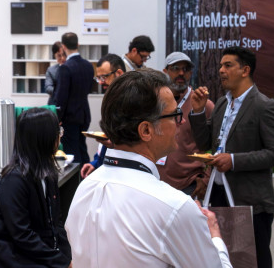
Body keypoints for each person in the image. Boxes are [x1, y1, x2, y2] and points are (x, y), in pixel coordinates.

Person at [65, 71, 232, 268]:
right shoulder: (173, 207)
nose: (182, 121)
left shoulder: (84, 190)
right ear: (146, 130)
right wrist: (214, 236)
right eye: (175, 115)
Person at [189, 47, 274, 268]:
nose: (221, 70)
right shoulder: (222, 104)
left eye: (228, 65)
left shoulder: (264, 106)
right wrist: (198, 111)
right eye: (220, 66)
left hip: (250, 200)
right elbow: (205, 144)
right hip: (218, 195)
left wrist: (233, 160)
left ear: (245, 70)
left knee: (255, 261)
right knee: (224, 257)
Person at [0, 108, 72, 268]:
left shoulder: (49, 173)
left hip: (41, 255)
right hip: (18, 259)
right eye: (58, 132)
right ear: (44, 138)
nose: (60, 137)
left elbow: (57, 223)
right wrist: (61, 262)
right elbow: (22, 235)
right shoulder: (14, 180)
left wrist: (66, 257)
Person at [158, 52, 215, 197]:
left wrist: (206, 180)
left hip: (189, 185)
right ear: (165, 71)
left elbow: (218, 146)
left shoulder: (203, 105)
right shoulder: (156, 103)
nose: (181, 73)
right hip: (157, 183)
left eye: (186, 69)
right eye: (175, 68)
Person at [80, 53, 125, 179]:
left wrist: (115, 144)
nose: (100, 82)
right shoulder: (111, 98)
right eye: (98, 78)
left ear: (119, 73)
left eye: (104, 77)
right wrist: (96, 162)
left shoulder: (131, 101)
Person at [53, 32, 94, 165]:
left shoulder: (65, 68)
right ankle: (86, 173)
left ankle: (76, 177)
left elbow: (61, 97)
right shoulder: (88, 66)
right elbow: (89, 89)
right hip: (84, 114)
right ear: (78, 44)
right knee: (82, 149)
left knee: (72, 152)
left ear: (63, 47)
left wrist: (58, 117)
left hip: (69, 117)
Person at [45, 41, 66, 106]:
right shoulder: (51, 70)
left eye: (64, 55)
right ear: (55, 55)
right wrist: (62, 91)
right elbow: (48, 88)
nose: (62, 58)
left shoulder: (73, 69)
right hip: (54, 104)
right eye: (59, 56)